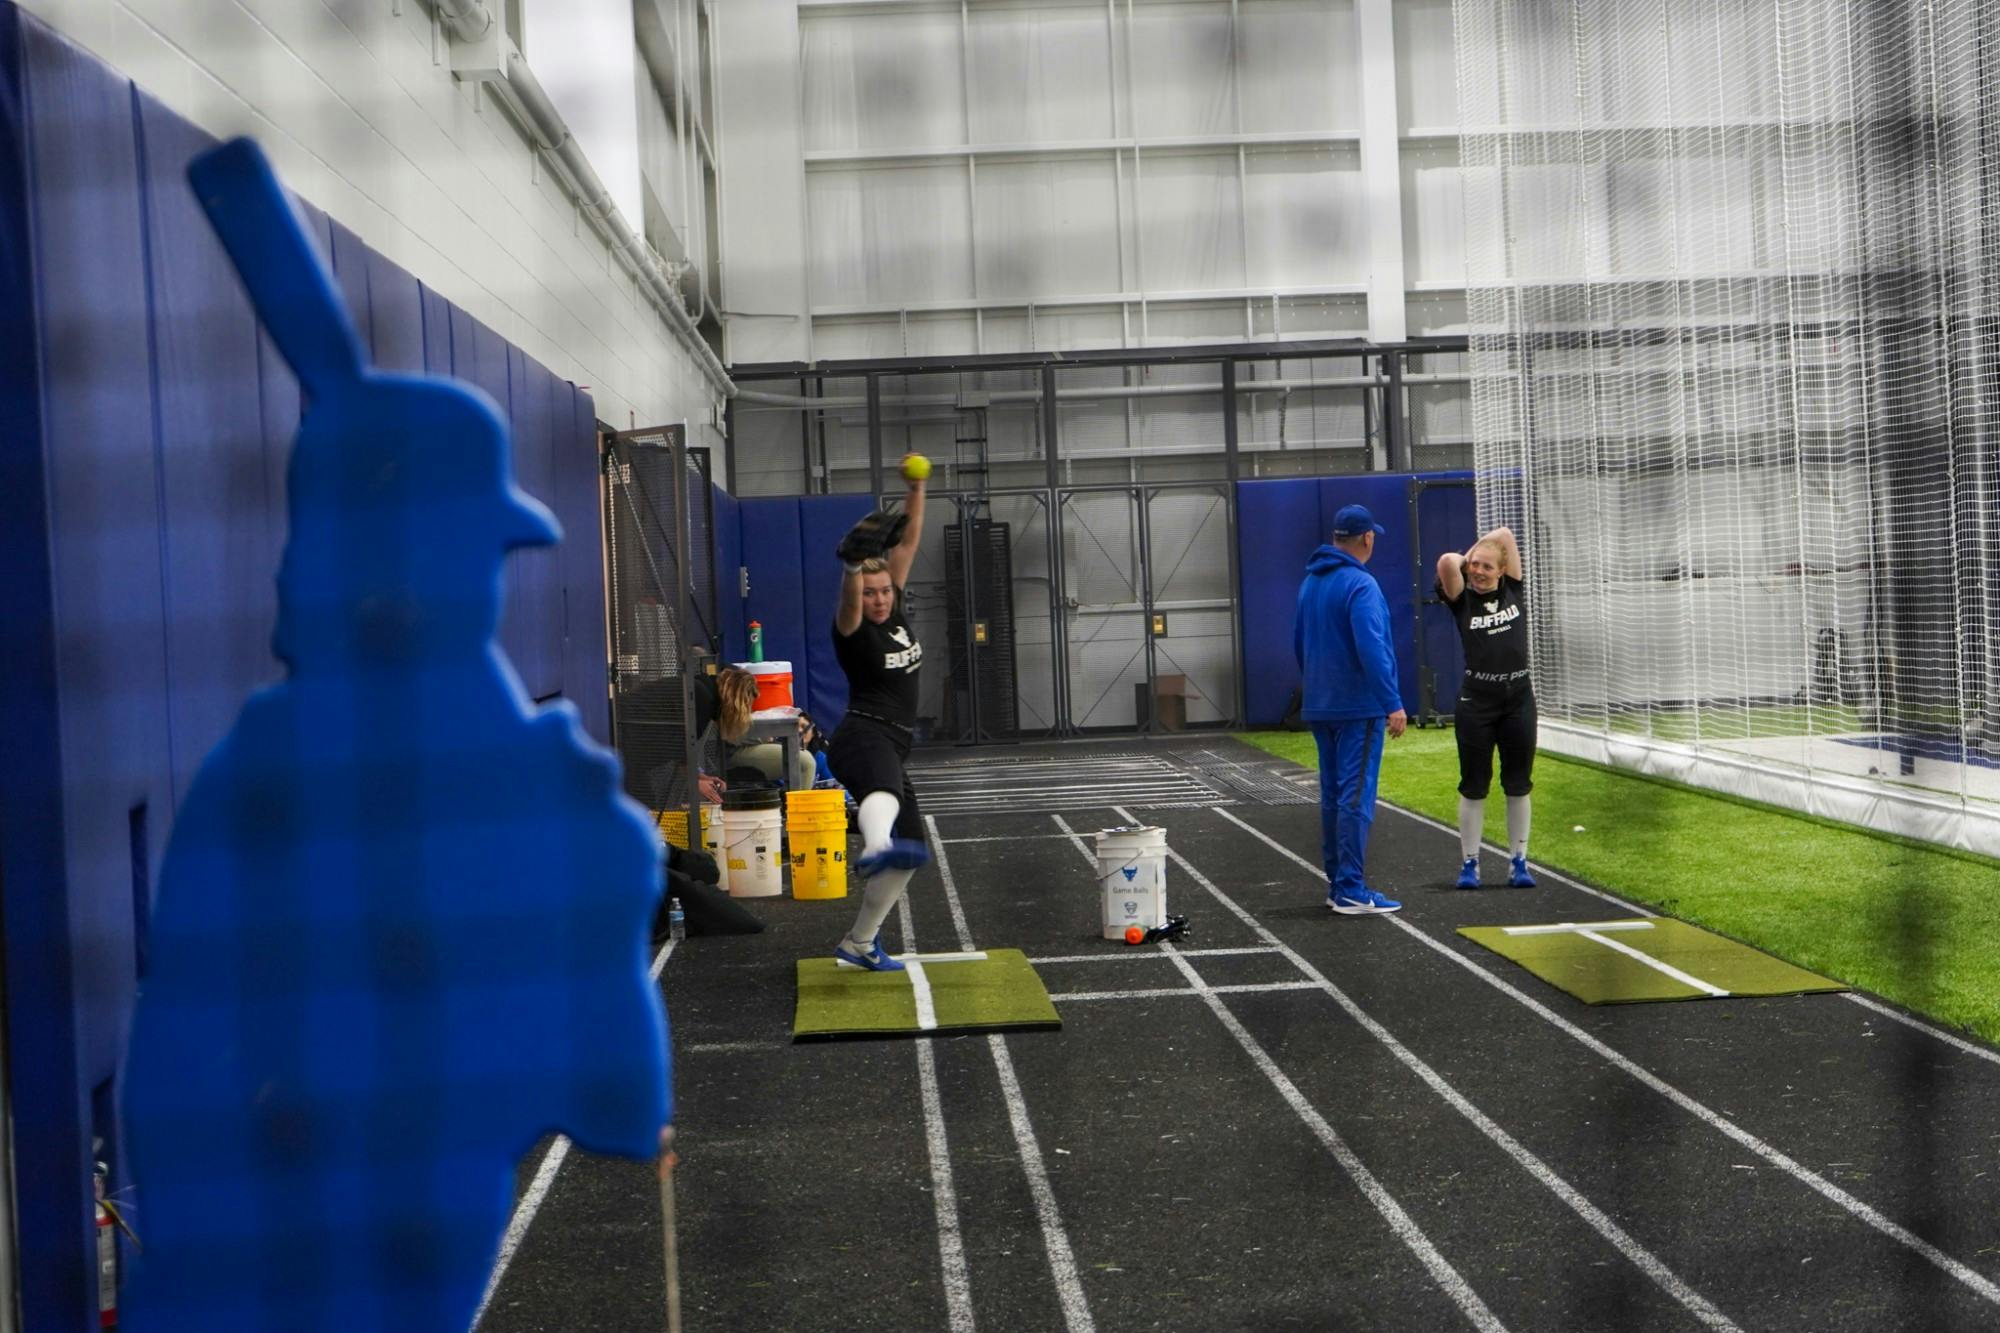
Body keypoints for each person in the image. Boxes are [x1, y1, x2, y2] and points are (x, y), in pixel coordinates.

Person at [826, 460, 930, 970]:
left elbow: (906, 545)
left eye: (885, 590)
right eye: (872, 593)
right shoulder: (852, 629)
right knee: (884, 798)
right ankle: (874, 845)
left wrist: (916, 489)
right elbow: (848, 604)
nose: (880, 599)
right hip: (862, 736)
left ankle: (859, 943)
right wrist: (852, 569)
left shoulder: (897, 609)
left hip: (892, 743)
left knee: (912, 850)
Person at [1294, 504, 1408, 915]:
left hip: (1320, 704)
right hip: (1357, 706)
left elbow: (1299, 643)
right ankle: (1350, 887)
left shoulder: (1311, 582)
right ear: (1367, 538)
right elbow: (1372, 647)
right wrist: (1391, 701)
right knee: (1356, 795)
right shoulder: (1362, 585)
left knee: (1333, 795)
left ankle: (1337, 881)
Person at [1435, 525, 1536, 889]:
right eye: (1474, 565)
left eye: (1487, 567)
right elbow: (1448, 561)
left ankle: (1519, 862)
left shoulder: (1514, 588)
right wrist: (1471, 559)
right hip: (1477, 700)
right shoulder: (1461, 597)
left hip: (1519, 698)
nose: (1478, 571)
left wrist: (1492, 551)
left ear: (1502, 570)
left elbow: (1507, 534)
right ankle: (1470, 864)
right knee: (1474, 785)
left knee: (1518, 784)